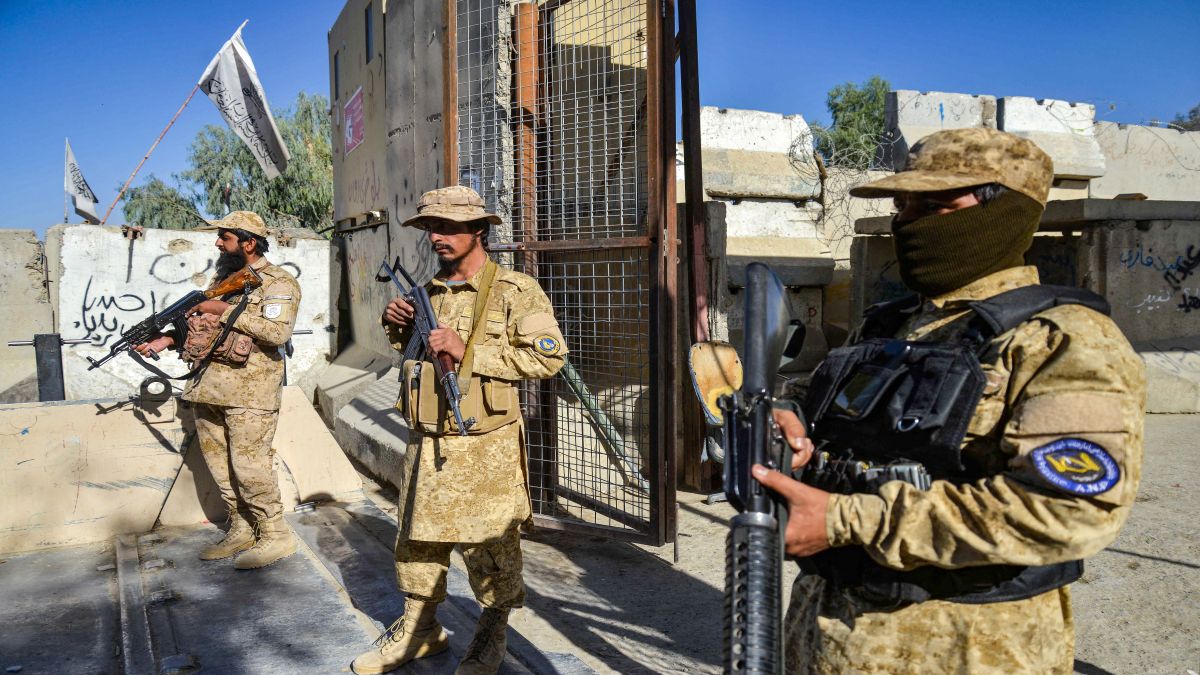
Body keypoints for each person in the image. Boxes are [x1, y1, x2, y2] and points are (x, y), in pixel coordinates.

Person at [753, 128, 1146, 673]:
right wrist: (790, 421)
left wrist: (846, 519)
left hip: (967, 647)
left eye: (933, 205)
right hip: (829, 632)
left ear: (1004, 213)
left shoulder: (1062, 339)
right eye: (901, 203)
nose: (905, 220)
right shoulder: (894, 324)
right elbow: (840, 417)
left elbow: (1070, 509)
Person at [351, 186, 566, 675]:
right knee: (417, 538)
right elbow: (411, 357)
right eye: (432, 228)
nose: (438, 237)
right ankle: (420, 629)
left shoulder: (514, 290)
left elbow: (549, 358)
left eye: (449, 227)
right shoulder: (426, 292)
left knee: (491, 544)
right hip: (427, 441)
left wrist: (467, 347)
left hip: (485, 448)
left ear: (479, 231)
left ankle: (491, 632)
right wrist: (396, 324)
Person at [134, 211, 302, 570]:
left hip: (249, 393)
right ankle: (242, 528)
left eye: (224, 238)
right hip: (206, 388)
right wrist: (165, 340)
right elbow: (204, 327)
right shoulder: (223, 279)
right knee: (221, 468)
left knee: (249, 467)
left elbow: (276, 334)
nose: (217, 244)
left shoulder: (279, 284)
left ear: (248, 243)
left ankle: (276, 535)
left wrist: (223, 309)